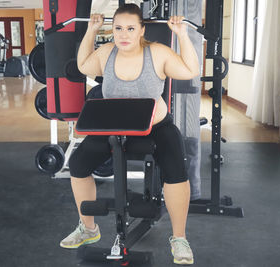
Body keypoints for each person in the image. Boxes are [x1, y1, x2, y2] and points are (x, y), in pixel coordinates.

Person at [60, 3, 199, 265]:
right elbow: (83, 66)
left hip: (155, 126)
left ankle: (179, 238)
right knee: (78, 165)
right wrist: (91, 30)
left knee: (176, 171)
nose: (123, 34)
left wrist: (182, 34)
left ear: (141, 30)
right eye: (118, 28)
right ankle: (88, 228)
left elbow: (190, 70)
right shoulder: (106, 53)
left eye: (130, 28)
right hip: (114, 125)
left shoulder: (157, 53)